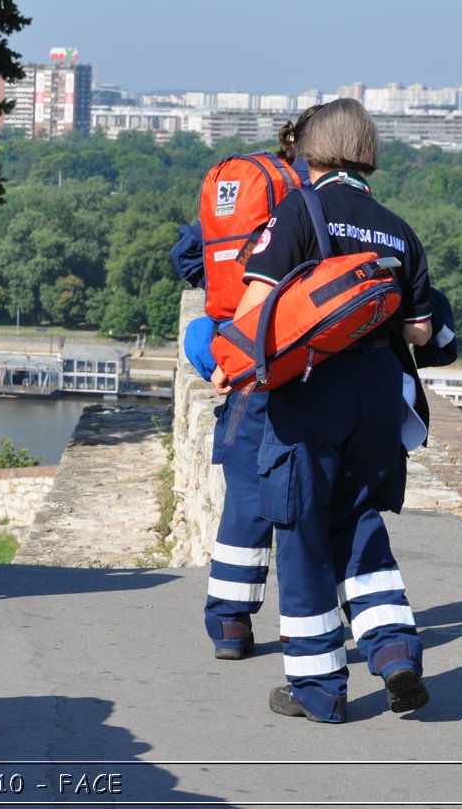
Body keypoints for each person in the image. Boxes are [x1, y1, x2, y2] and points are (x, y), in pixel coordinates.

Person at [211, 97, 434, 723]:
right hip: (378, 393)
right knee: (361, 523)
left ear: (311, 148)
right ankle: (394, 652)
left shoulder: (297, 210)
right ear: (367, 150)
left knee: (303, 533)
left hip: (313, 393)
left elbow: (256, 313)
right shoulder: (397, 228)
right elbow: (419, 332)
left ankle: (319, 691)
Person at [198, 109, 312, 662]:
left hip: (243, 370)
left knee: (245, 499)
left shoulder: (254, 195)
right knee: (307, 501)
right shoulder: (316, 206)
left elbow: (193, 259)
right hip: (302, 367)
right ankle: (312, 624)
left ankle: (230, 626)